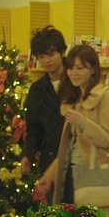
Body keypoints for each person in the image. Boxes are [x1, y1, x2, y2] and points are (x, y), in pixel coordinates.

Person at [35, 44, 109, 217]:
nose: (74, 73)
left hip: (94, 178)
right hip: (71, 176)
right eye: (70, 68)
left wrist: (83, 123)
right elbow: (71, 148)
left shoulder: (106, 98)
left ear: (93, 70)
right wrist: (49, 175)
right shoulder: (75, 101)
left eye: (80, 68)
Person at [21, 25, 67, 203]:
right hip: (49, 161)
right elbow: (34, 129)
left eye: (51, 54)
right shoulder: (37, 89)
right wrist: (28, 155)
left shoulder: (76, 81)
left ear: (62, 52)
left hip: (77, 162)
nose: (47, 61)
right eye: (41, 57)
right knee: (56, 213)